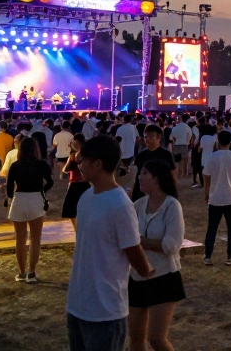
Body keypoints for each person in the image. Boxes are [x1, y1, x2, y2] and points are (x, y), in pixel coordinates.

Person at [67, 134, 155, 351]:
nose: (79, 166)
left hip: (105, 310)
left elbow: (133, 250)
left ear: (97, 164)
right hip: (78, 303)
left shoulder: (120, 205)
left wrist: (148, 271)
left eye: (82, 161)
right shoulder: (86, 197)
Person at [130, 159, 186, 351]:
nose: (140, 177)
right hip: (137, 277)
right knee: (136, 340)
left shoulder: (172, 206)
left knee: (156, 339)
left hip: (163, 278)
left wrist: (139, 241)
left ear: (157, 178)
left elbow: (171, 246)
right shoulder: (137, 205)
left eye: (144, 173)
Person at [6, 135, 53, 282]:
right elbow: (50, 182)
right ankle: (32, 273)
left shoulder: (15, 165)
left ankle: (21, 272)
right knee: (35, 238)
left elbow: (8, 190)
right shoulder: (41, 164)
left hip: (19, 199)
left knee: (20, 239)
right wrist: (42, 190)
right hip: (35, 199)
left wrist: (13, 193)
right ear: (35, 149)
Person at [202, 130, 231, 265]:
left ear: (218, 141)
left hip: (215, 197)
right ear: (230, 142)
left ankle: (208, 256)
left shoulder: (211, 157)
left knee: (212, 227)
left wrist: (206, 193)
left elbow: (206, 177)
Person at [132, 125, 174, 202]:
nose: (147, 139)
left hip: (161, 191)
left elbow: (172, 174)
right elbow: (137, 176)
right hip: (143, 193)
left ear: (159, 137)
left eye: (151, 136)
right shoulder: (141, 155)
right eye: (145, 137)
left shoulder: (166, 154)